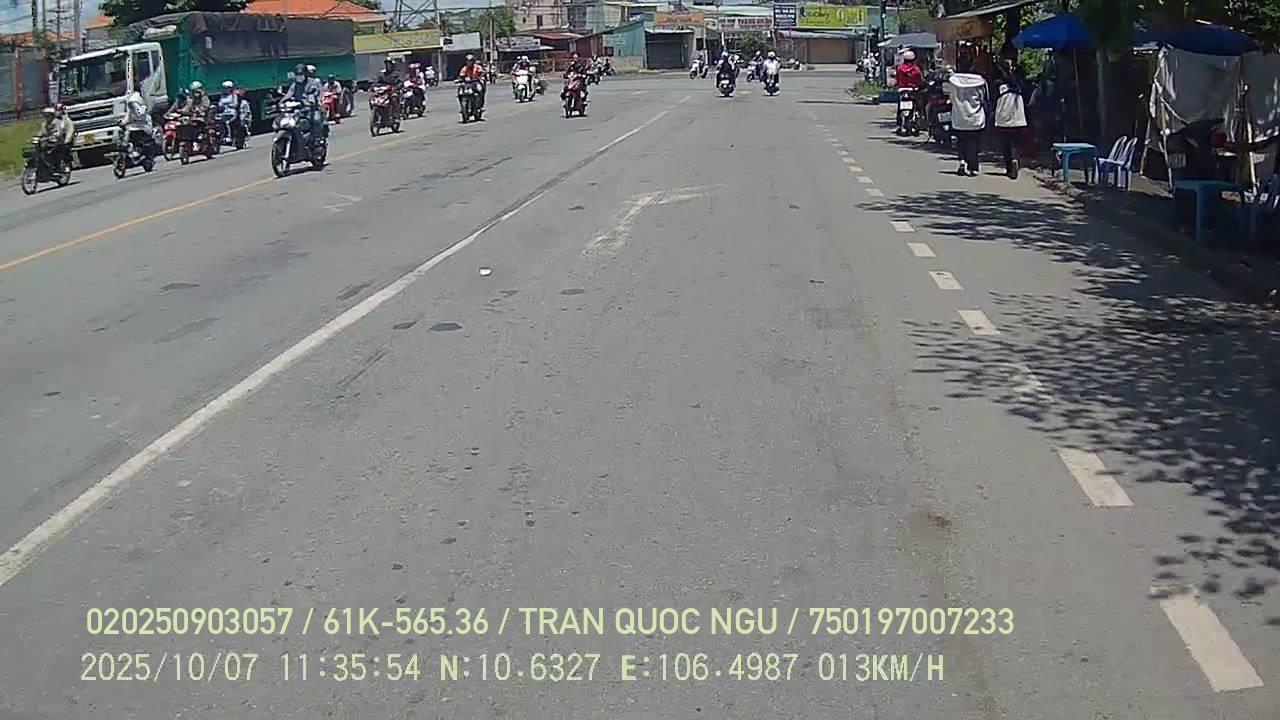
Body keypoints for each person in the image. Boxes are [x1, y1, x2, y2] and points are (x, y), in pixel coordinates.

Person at [947, 58, 988, 176]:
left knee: (961, 141)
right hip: (975, 118)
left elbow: (950, 97)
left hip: (959, 117)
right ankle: (973, 167)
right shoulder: (979, 82)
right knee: (973, 143)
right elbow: (983, 98)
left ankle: (962, 161)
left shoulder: (953, 81)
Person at [992, 58, 1027, 179]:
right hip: (1018, 116)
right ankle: (1015, 159)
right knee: (1016, 142)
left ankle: (1009, 167)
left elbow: (993, 99)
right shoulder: (1019, 83)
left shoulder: (998, 83)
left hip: (1003, 116)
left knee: (1005, 144)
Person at [120, 79, 157, 160]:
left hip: (141, 126)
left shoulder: (137, 100)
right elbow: (131, 115)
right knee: (126, 140)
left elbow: (138, 113)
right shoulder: (134, 101)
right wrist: (123, 123)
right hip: (136, 127)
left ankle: (142, 154)